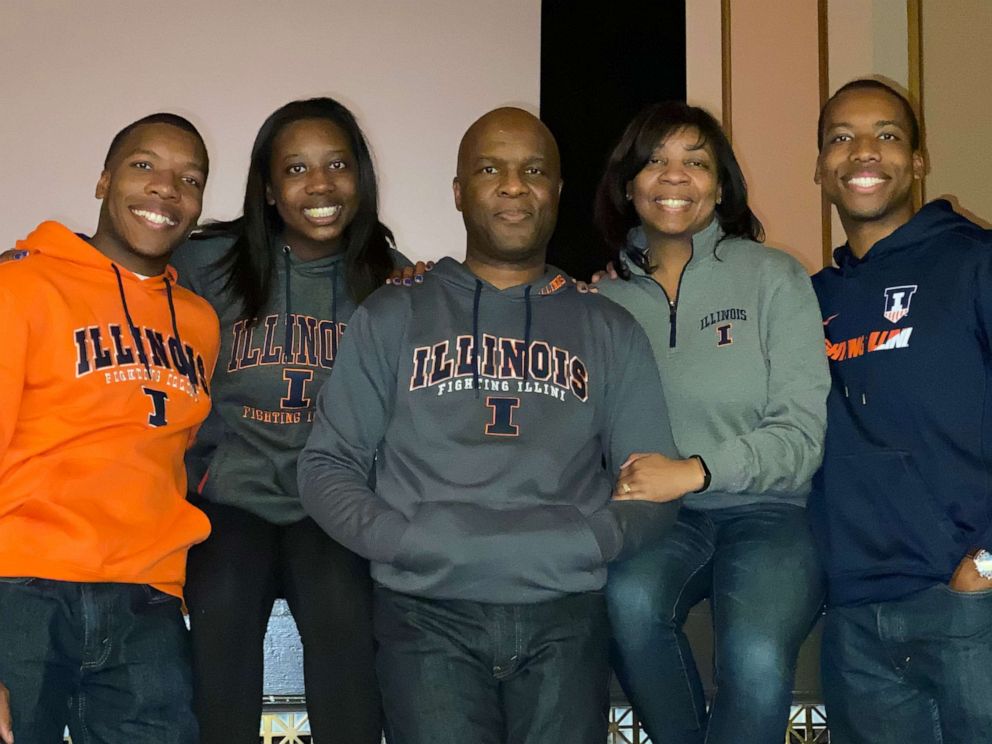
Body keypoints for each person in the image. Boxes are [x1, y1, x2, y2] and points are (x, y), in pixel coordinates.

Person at [297, 107, 694, 744]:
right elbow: (325, 466)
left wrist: (590, 541)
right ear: (459, 192)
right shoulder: (395, 312)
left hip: (565, 613)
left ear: (557, 192)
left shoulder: (607, 326)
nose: (514, 185)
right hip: (425, 616)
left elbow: (652, 479)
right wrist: (404, 541)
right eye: (490, 169)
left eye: (534, 170)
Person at [169, 97, 409, 744]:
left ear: (359, 176)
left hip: (329, 501)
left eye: (336, 164)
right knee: (219, 598)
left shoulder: (393, 286)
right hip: (232, 497)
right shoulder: (205, 265)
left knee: (342, 605)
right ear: (270, 190)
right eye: (296, 169)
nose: (321, 184)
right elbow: (116, 271)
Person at [592, 101, 829, 744]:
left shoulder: (774, 277)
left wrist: (694, 472)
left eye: (694, 162)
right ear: (629, 183)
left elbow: (804, 435)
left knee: (754, 656)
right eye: (656, 161)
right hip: (662, 522)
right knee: (626, 604)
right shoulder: (603, 301)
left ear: (720, 185)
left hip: (770, 511)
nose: (674, 177)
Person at [0, 114, 219, 743]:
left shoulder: (200, 324)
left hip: (144, 599)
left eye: (190, 178)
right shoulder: (20, 287)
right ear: (103, 181)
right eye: (144, 166)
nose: (166, 189)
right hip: (20, 588)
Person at [811, 78, 992, 744]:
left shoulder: (975, 263)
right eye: (840, 138)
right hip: (856, 621)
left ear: (917, 161)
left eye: (886, 135)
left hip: (970, 606)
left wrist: (988, 564)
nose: (863, 152)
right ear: (820, 168)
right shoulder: (806, 302)